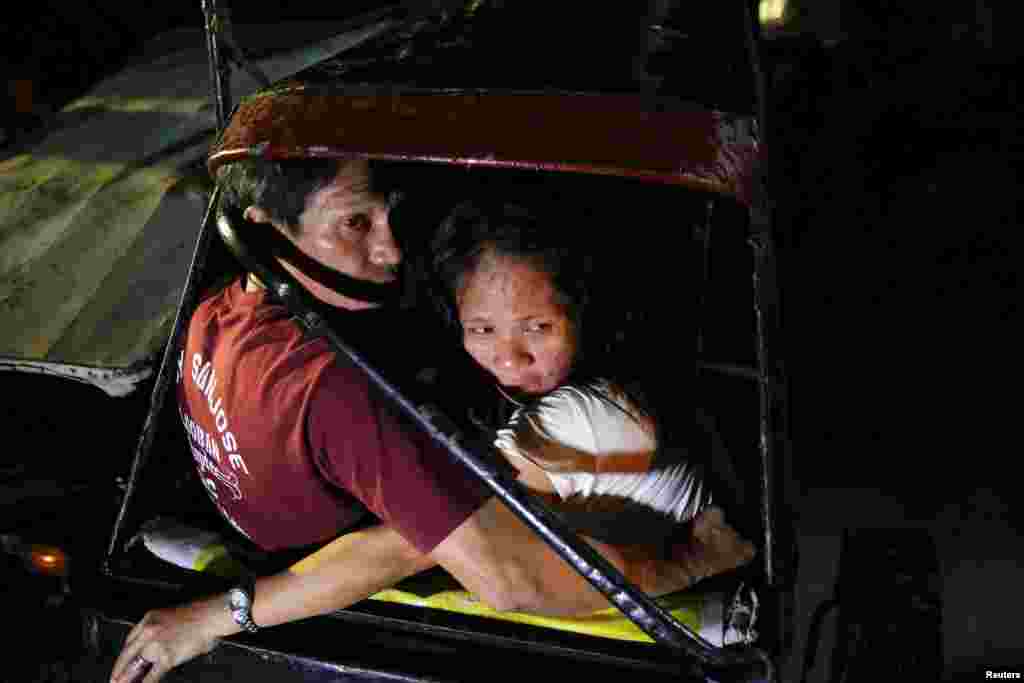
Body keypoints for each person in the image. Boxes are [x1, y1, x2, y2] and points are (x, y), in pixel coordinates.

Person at [111, 157, 714, 683]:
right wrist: (693, 562)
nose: (390, 250)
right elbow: (505, 579)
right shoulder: (339, 394)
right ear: (267, 225)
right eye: (354, 223)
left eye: (386, 214)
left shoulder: (217, 311)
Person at [430, 198, 755, 559]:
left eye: (539, 327)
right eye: (483, 329)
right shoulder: (491, 394)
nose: (508, 358)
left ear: (584, 314)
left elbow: (445, 535)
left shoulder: (589, 415)